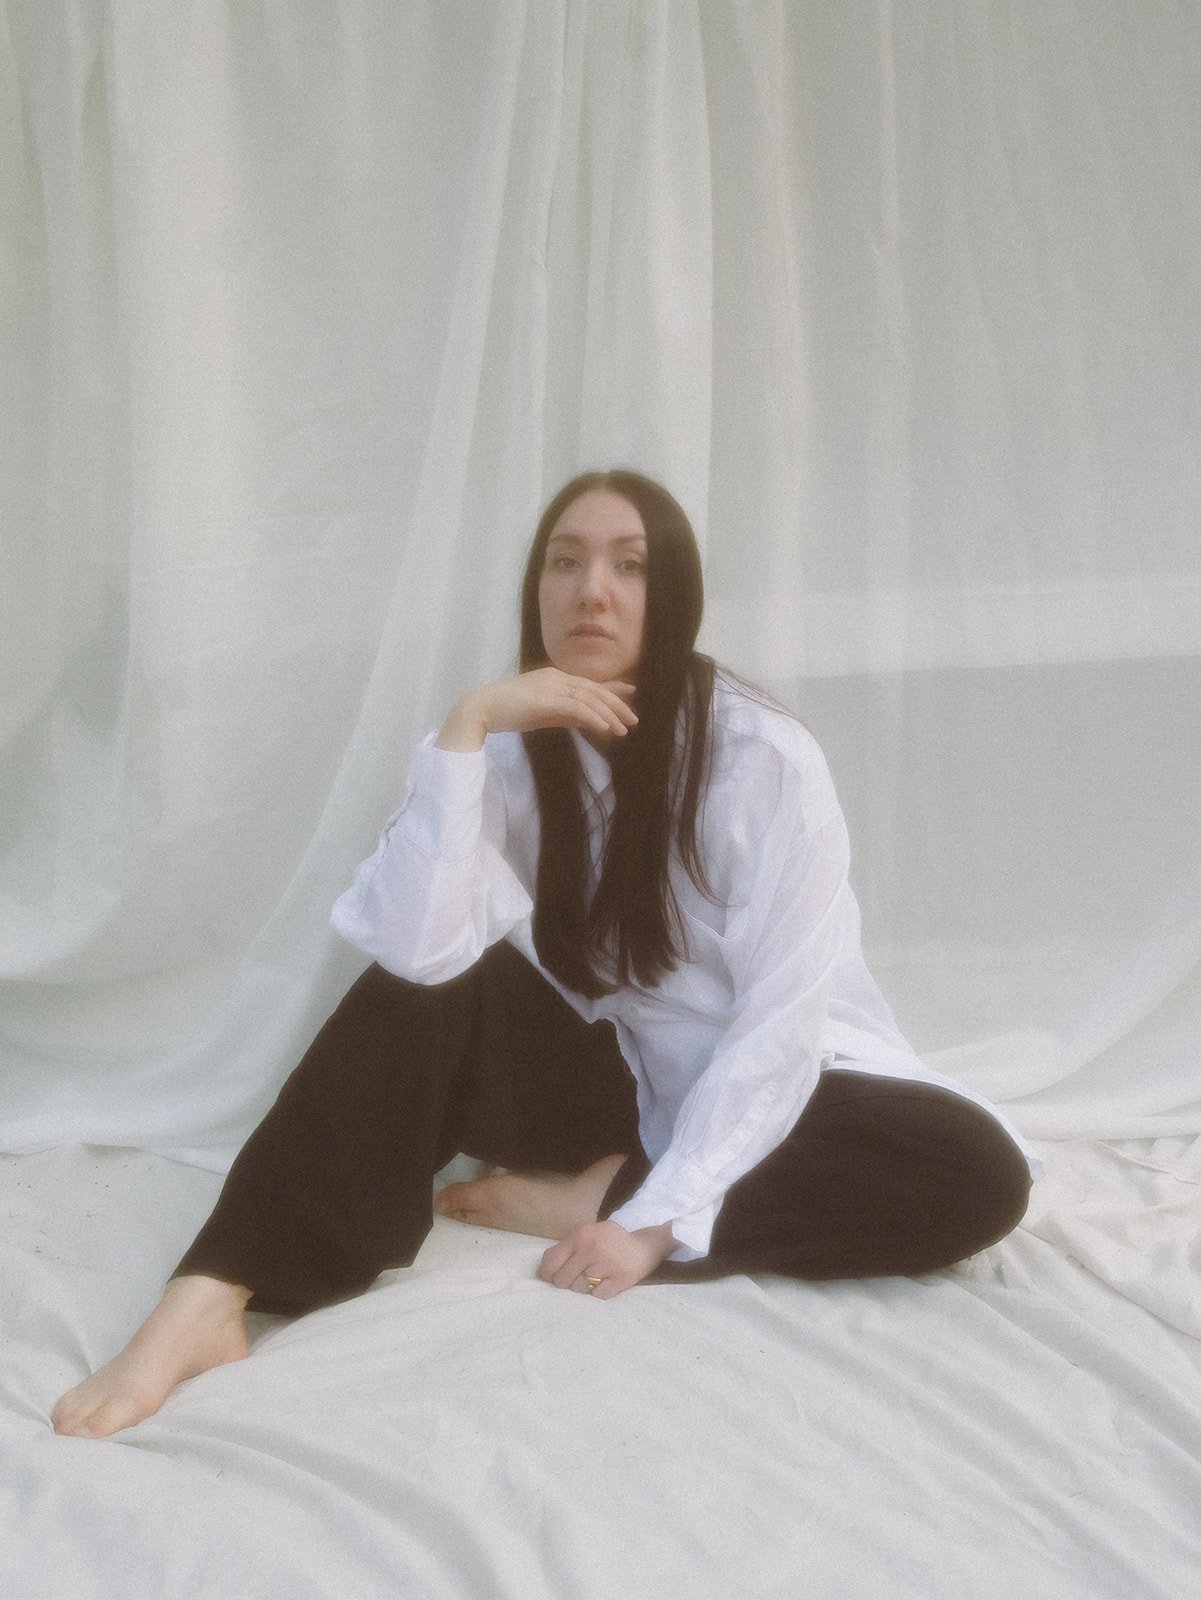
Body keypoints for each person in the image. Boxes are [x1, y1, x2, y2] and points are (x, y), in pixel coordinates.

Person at [52, 469, 1035, 1439]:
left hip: (783, 1086)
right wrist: (466, 731)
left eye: (629, 565)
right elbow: (417, 952)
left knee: (975, 1173)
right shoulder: (506, 747)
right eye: (564, 563)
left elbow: (784, 1017)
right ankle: (210, 1291)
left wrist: (645, 1220)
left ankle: (597, 1190)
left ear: (675, 594)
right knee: (439, 982)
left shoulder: (760, 756)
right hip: (606, 1078)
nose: (591, 590)